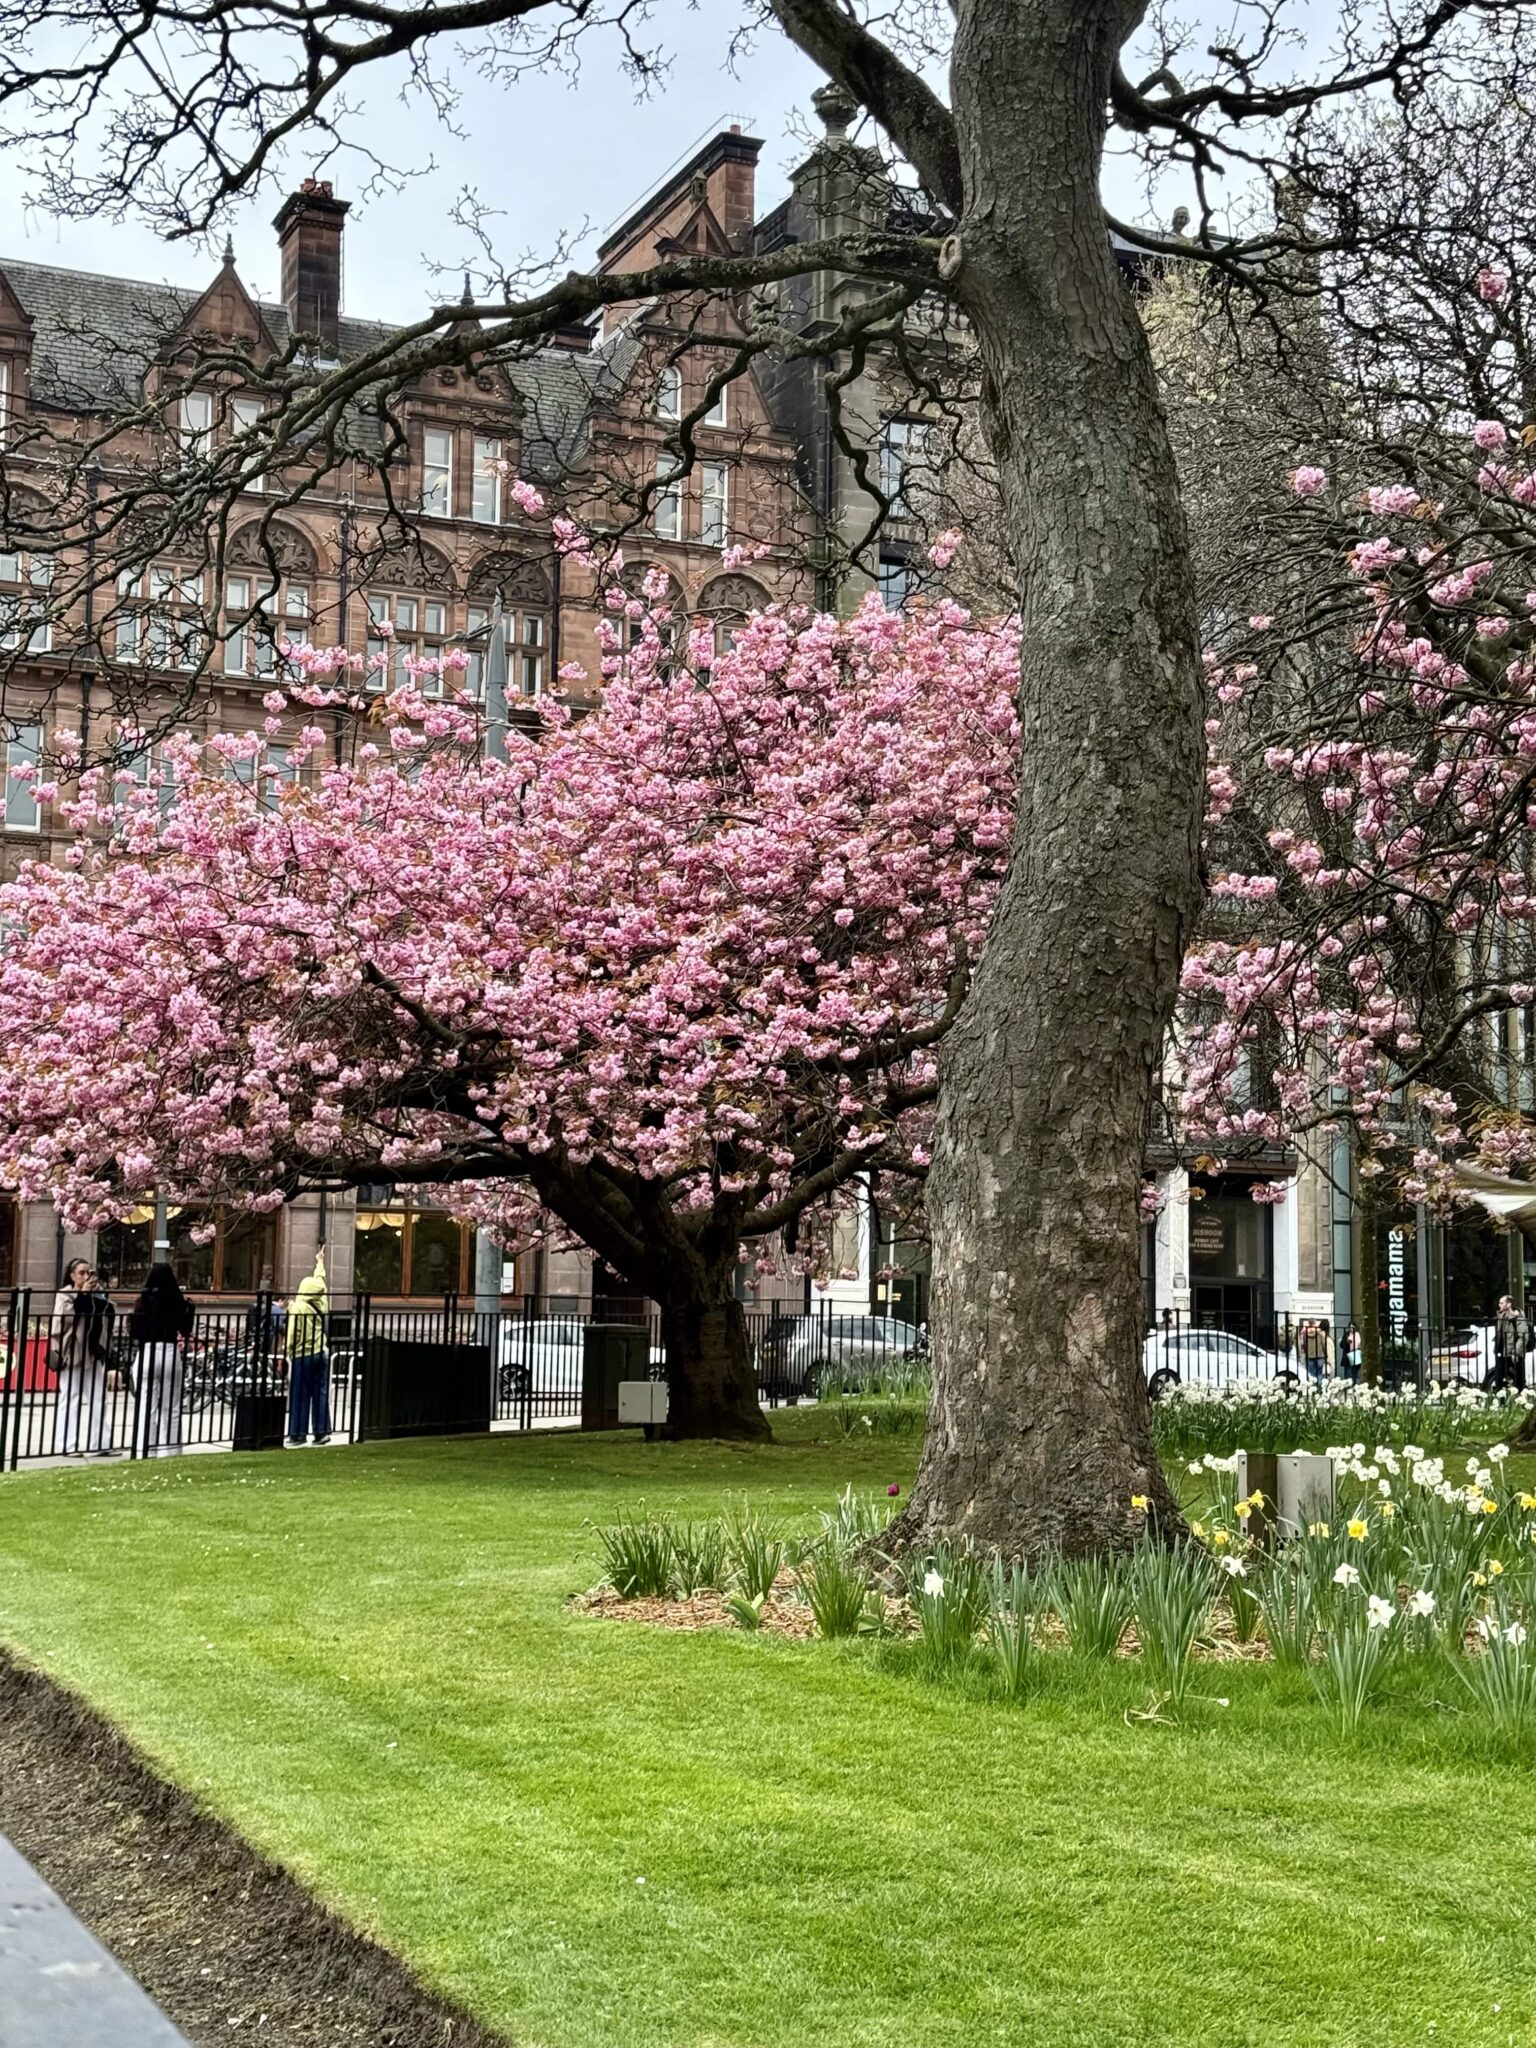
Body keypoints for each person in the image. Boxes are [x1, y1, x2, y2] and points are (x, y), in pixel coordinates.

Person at [52, 1259, 117, 1456]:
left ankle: (100, 1443)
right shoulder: (65, 1294)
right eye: (81, 1273)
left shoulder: (97, 1294)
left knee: (99, 1397)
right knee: (71, 1398)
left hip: (93, 1351)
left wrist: (97, 1295)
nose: (86, 1276)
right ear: (72, 1275)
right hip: (73, 1351)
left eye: (89, 1272)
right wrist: (83, 1295)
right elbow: (67, 1317)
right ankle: (67, 1444)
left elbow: (108, 1313)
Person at [129, 1263, 195, 1457]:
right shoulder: (176, 1301)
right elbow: (185, 1329)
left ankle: (143, 1449)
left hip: (148, 1350)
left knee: (146, 1405)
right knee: (171, 1405)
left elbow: (135, 1332)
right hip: (169, 1350)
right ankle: (171, 1449)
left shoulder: (143, 1301)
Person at [285, 1254, 332, 1445]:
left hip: (302, 1355)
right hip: (321, 1352)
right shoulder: (321, 1302)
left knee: (299, 1394)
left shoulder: (299, 1307)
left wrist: (287, 1350)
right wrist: (320, 1262)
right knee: (320, 1393)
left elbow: (292, 1334)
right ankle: (322, 1432)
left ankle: (298, 1434)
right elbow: (320, 1280)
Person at [1492, 1294, 1529, 1391]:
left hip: (1514, 1353)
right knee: (1498, 1377)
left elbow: (1523, 1336)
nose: (1499, 1305)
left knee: (1519, 1379)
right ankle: (1501, 1402)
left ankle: (1522, 1401)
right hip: (1503, 1352)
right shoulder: (1501, 1315)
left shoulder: (1518, 1316)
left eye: (1501, 1303)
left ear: (1508, 1304)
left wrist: (1516, 1352)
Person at [1299, 1317, 1333, 1383]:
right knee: (1320, 1374)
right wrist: (1326, 1355)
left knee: (1311, 1375)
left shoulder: (1305, 1334)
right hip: (1320, 1355)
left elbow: (1304, 1345)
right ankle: (1319, 1389)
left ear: (1308, 1323)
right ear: (1315, 1323)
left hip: (1309, 1356)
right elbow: (1324, 1344)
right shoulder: (1320, 1332)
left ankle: (1313, 1390)